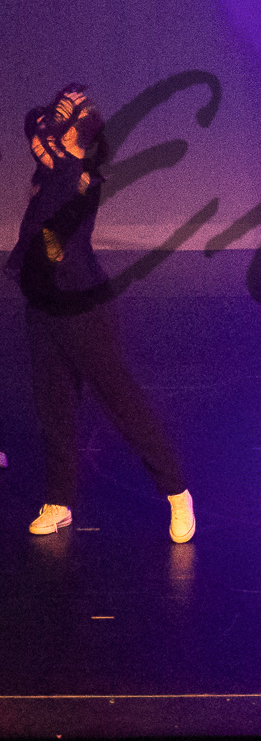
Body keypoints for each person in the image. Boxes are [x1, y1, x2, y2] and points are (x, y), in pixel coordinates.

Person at [5, 86, 194, 541]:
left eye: (63, 118)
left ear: (76, 133)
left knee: (120, 400)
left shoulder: (78, 177)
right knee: (53, 406)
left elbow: (53, 232)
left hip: (82, 307)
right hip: (44, 306)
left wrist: (63, 109)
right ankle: (59, 501)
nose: (52, 124)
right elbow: (33, 122)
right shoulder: (54, 167)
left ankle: (176, 492)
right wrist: (58, 105)